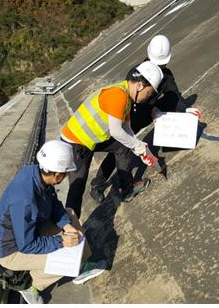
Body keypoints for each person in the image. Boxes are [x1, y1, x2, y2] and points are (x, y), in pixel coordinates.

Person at [90, 34, 201, 202]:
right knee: (120, 152)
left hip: (145, 115)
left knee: (120, 152)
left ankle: (104, 184)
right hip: (128, 118)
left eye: (162, 64)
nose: (159, 66)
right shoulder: (137, 74)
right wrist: (152, 111)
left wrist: (186, 109)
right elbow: (129, 100)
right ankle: (105, 186)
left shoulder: (166, 75)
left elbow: (174, 95)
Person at [0, 140, 106, 304]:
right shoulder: (25, 200)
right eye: (66, 174)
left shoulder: (36, 174)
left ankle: (83, 264)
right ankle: (33, 287)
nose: (65, 176)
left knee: (70, 214)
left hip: (30, 230)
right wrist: (61, 241)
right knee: (66, 258)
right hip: (12, 251)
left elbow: (54, 204)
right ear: (58, 175)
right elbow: (26, 245)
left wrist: (67, 226)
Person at [61, 61, 164, 218]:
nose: (147, 98)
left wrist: (141, 148)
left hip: (92, 137)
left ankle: (124, 189)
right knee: (77, 187)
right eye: (149, 94)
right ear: (140, 86)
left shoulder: (127, 96)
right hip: (76, 141)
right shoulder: (119, 95)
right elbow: (116, 131)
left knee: (121, 147)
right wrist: (137, 146)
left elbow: (126, 129)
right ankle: (70, 230)